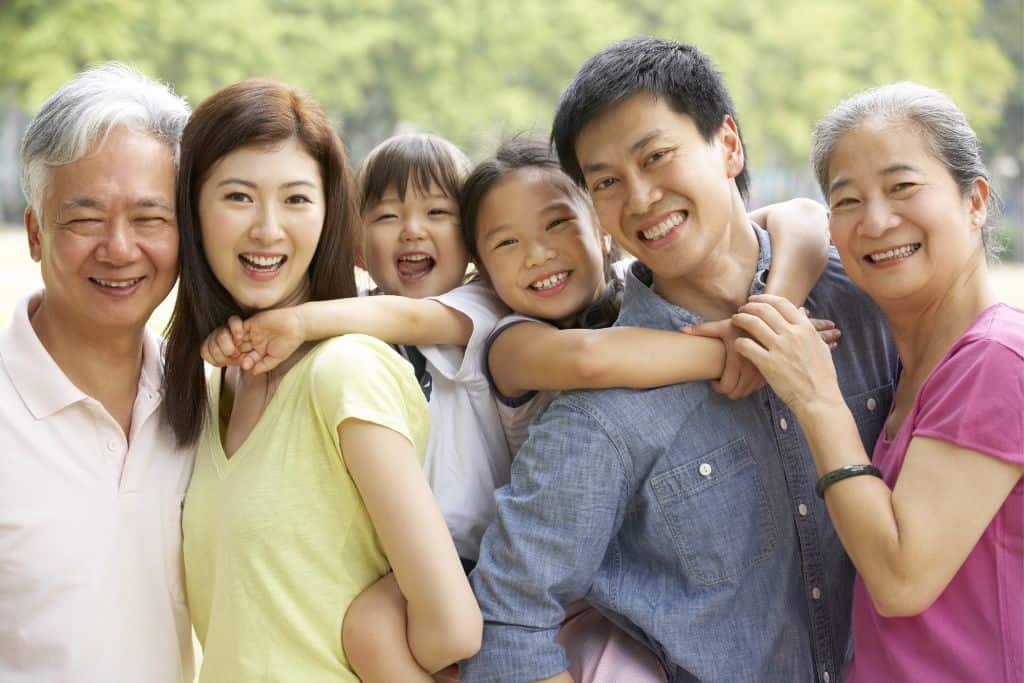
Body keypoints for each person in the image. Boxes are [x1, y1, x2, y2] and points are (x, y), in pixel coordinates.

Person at [201, 135, 837, 682]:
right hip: (491, 564)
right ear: (482, 263)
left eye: (559, 224)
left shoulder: (624, 297)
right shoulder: (506, 333)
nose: (537, 253)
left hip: (600, 580)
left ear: (602, 225)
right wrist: (744, 349)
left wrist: (772, 313)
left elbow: (806, 216)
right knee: (373, 623)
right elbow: (586, 360)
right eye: (506, 243)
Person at [461, 37, 900, 683]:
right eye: (607, 181)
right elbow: (508, 621)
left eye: (656, 156)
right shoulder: (601, 410)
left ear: (728, 144)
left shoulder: (867, 300)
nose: (638, 199)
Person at [161, 79, 481, 682]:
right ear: (193, 209)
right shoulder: (211, 388)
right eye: (237, 196)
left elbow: (452, 628)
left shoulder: (345, 371)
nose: (267, 229)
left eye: (296, 199)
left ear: (330, 212)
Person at [732, 83, 1023, 682]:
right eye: (848, 200)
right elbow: (788, 219)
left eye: (902, 188)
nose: (878, 220)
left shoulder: (995, 359)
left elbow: (901, 579)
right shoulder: (913, 367)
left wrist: (814, 395)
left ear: (975, 201)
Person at [0, 64, 193, 682]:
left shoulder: (207, 403)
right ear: (35, 233)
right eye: (84, 219)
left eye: (150, 219)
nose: (118, 248)